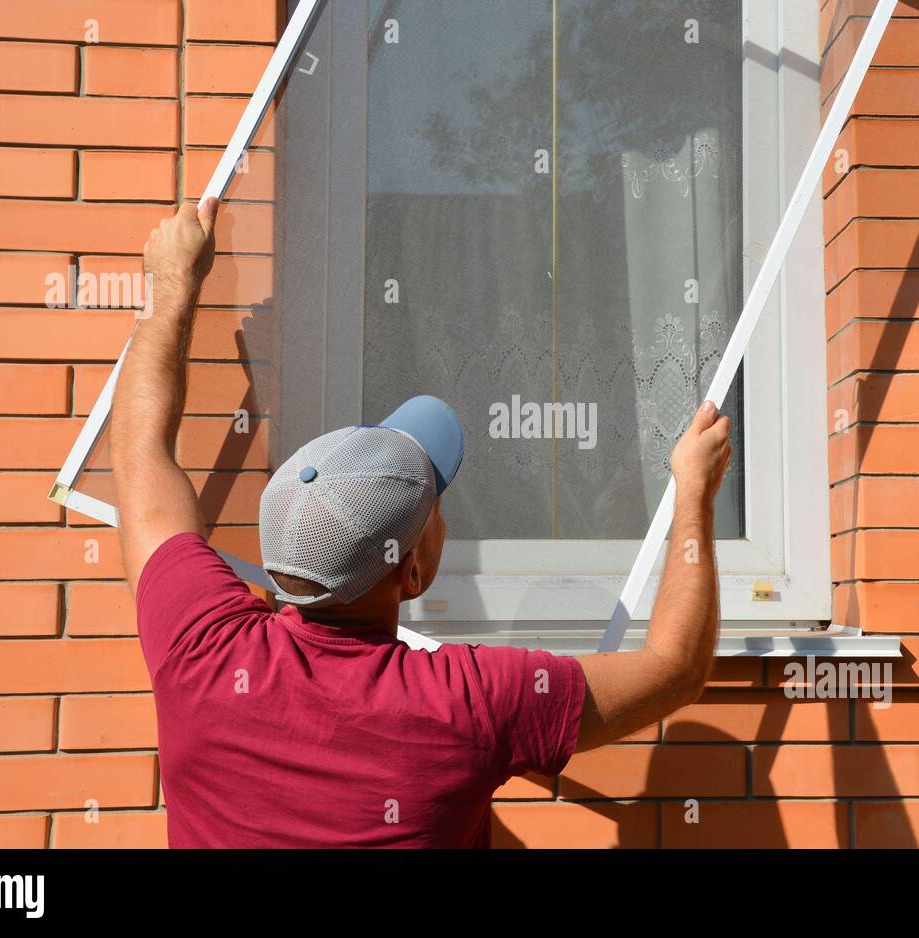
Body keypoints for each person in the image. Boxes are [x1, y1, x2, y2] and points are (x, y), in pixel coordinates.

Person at [111, 199, 732, 847]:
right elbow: (677, 669)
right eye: (435, 503)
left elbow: (138, 453)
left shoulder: (201, 648)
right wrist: (695, 492)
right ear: (411, 570)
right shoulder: (465, 703)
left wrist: (172, 282)